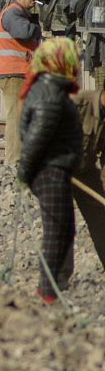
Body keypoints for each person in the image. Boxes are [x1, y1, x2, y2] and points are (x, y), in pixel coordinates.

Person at [17, 37, 83, 305]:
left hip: (54, 169)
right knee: (56, 233)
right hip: (50, 171)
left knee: (64, 230)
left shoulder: (49, 87)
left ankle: (55, 289)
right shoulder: (51, 93)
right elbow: (38, 135)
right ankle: (47, 293)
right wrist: (25, 171)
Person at [0, 0, 44, 165]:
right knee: (17, 118)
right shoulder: (13, 13)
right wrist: (38, 28)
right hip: (14, 73)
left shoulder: (21, 14)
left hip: (21, 73)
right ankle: (13, 160)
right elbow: (23, 32)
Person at [72, 86, 105, 270]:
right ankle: (56, 280)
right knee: (61, 225)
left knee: (101, 218)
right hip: (54, 171)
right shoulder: (77, 103)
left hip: (85, 170)